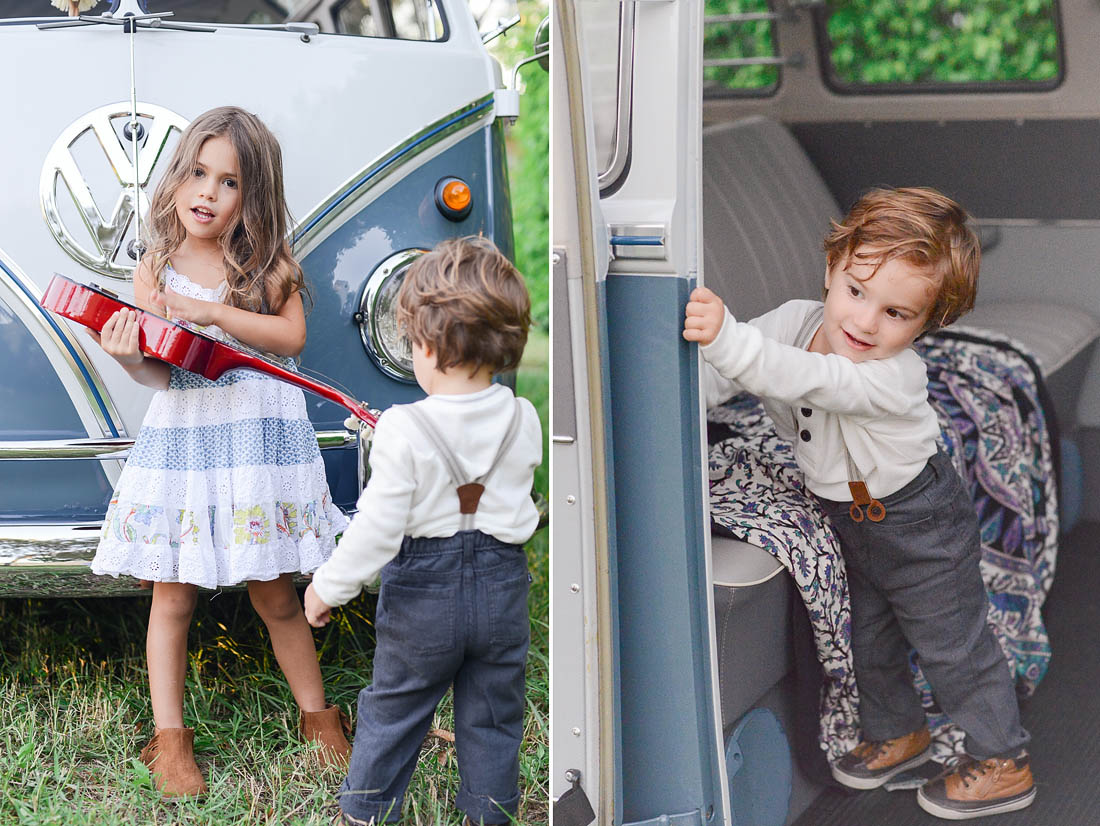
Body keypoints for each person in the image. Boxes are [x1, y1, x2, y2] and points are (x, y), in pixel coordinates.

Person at [683, 187, 1035, 820]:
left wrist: (728, 338)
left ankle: (1002, 759)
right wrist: (685, 397)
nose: (867, 323)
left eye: (898, 313)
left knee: (952, 643)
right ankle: (900, 735)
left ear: (928, 324)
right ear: (831, 270)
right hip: (851, 519)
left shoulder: (894, 375)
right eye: (855, 291)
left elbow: (805, 377)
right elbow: (721, 376)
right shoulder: (792, 321)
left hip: (918, 520)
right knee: (866, 635)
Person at [89, 106, 351, 797]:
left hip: (256, 447)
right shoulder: (155, 267)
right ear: (177, 179)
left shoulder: (267, 266)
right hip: (189, 442)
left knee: (277, 596)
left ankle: (320, 720)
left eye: (229, 182)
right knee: (171, 597)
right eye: (199, 174)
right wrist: (127, 358)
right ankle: (169, 741)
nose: (208, 193)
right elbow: (159, 371)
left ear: (252, 196)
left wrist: (210, 311)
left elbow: (289, 338)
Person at [303, 236, 541, 826]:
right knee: (492, 718)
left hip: (424, 599)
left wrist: (328, 587)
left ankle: (365, 813)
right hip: (502, 591)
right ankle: (489, 815)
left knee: (395, 708)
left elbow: (379, 529)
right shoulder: (523, 415)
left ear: (431, 346)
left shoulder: (404, 427)